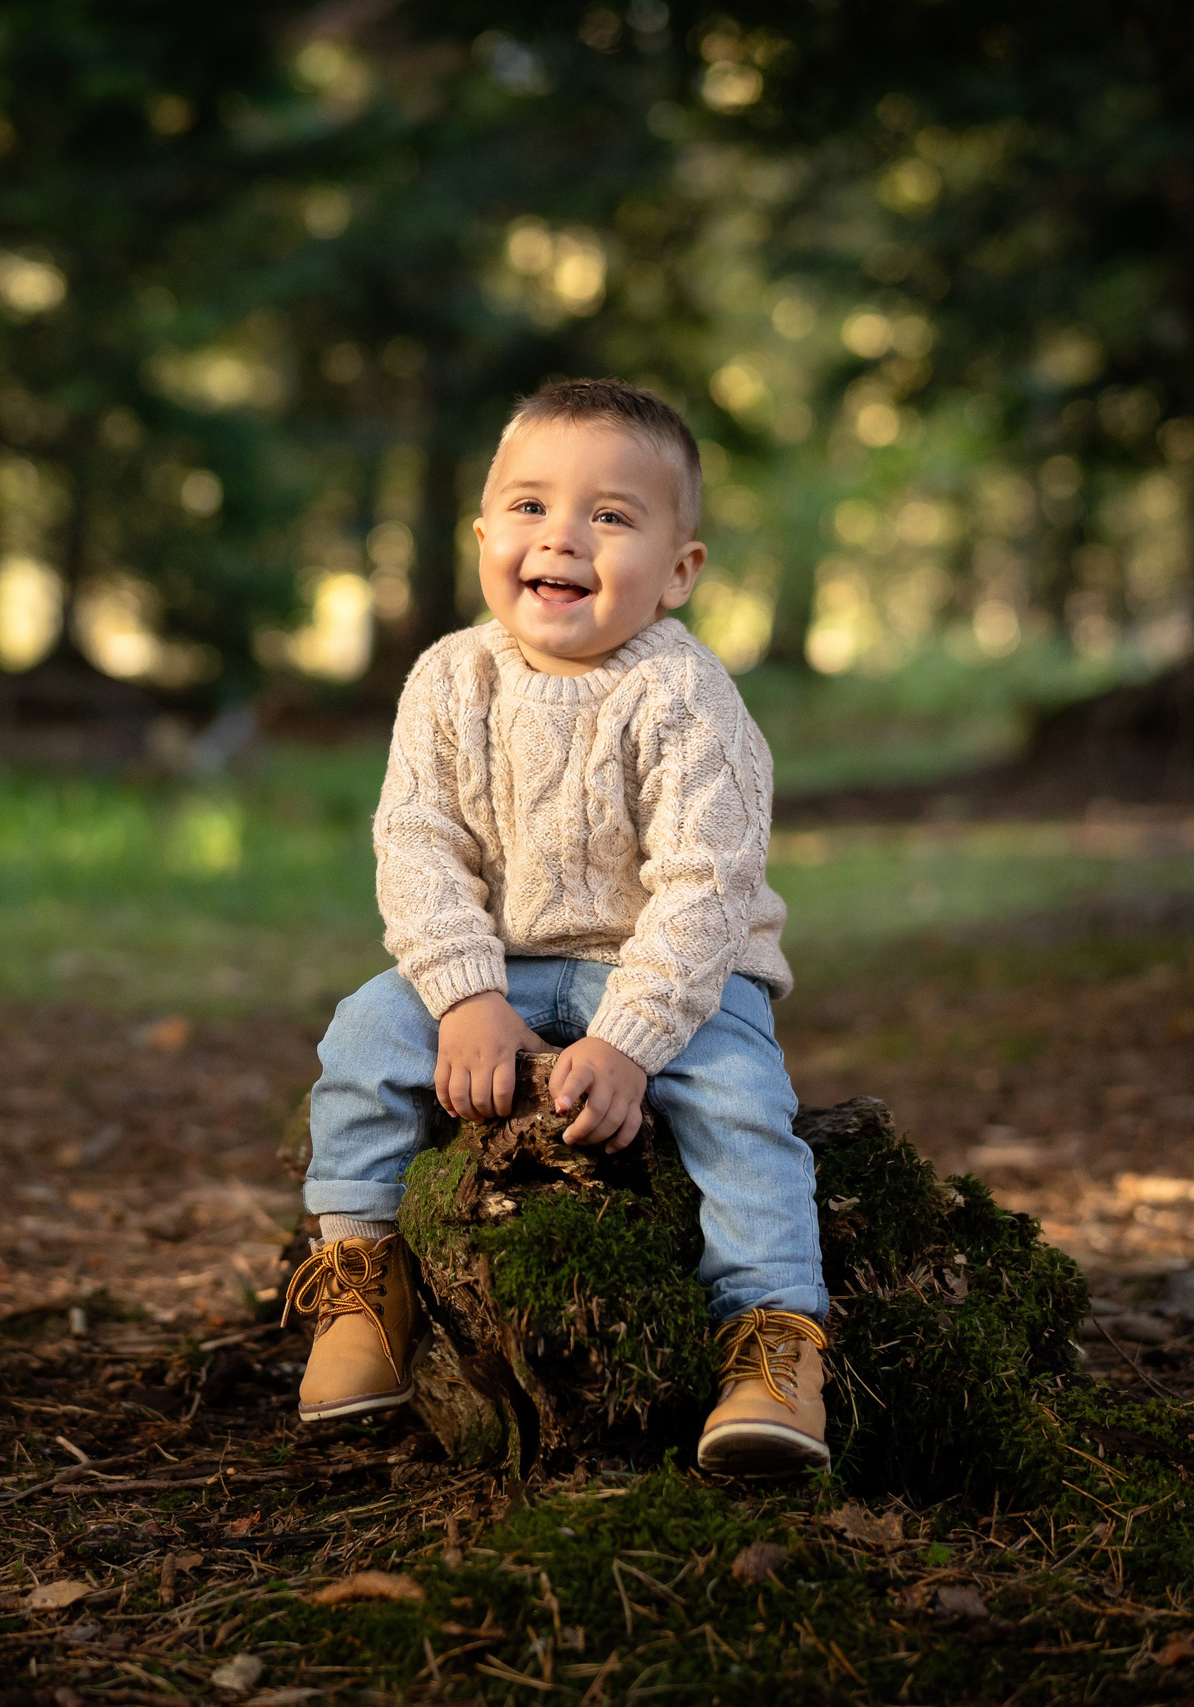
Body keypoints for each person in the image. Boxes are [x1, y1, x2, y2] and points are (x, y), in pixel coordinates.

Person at [286, 378, 829, 1476]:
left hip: (678, 976)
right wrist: (465, 997)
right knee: (358, 1038)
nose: (563, 537)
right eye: (529, 507)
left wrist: (629, 1043)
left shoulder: (684, 698)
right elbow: (418, 845)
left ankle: (772, 1343)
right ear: (483, 534)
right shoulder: (450, 678)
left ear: (680, 571)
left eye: (612, 515)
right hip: (501, 965)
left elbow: (706, 890)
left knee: (743, 1110)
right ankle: (358, 1278)